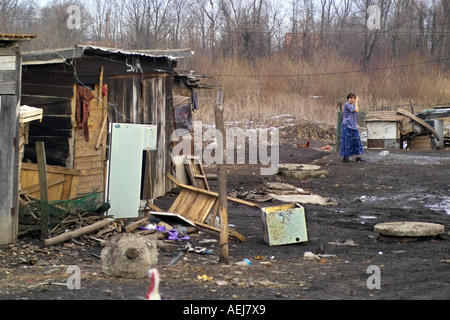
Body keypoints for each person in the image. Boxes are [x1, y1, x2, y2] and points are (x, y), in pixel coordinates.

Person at [340, 93, 364, 163]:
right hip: (347, 125)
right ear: (348, 99)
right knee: (347, 141)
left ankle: (358, 157)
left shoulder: (352, 105)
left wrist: (356, 124)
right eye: (351, 98)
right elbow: (356, 110)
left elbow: (353, 116)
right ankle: (345, 157)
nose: (352, 100)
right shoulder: (347, 105)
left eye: (354, 98)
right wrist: (356, 102)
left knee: (357, 141)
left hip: (353, 125)